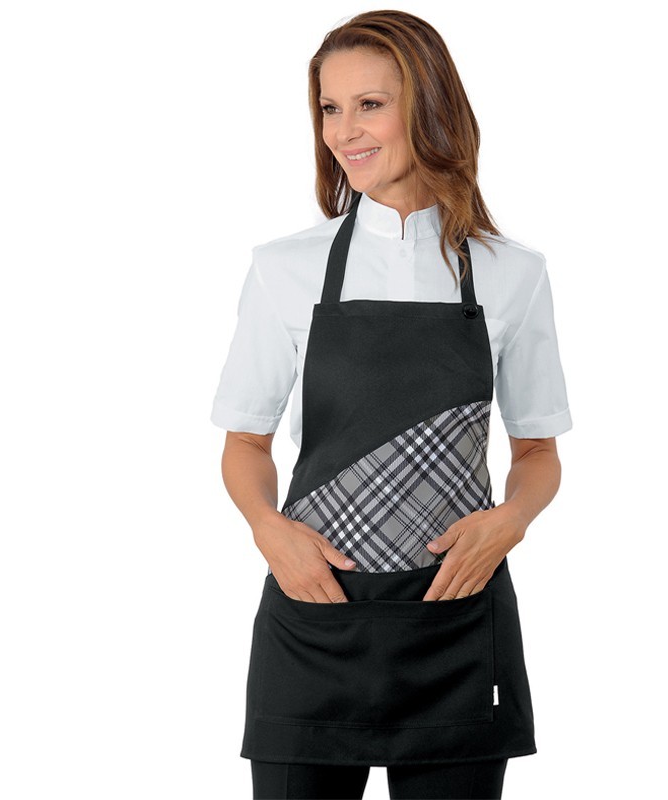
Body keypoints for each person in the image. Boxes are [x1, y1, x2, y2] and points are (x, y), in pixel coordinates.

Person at [210, 10, 572, 800]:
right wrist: (270, 531)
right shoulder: (283, 269)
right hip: (314, 617)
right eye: (329, 108)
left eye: (370, 104)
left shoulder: (513, 273)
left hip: (456, 619)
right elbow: (245, 443)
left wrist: (510, 522)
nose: (344, 131)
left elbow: (538, 452)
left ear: (431, 106)